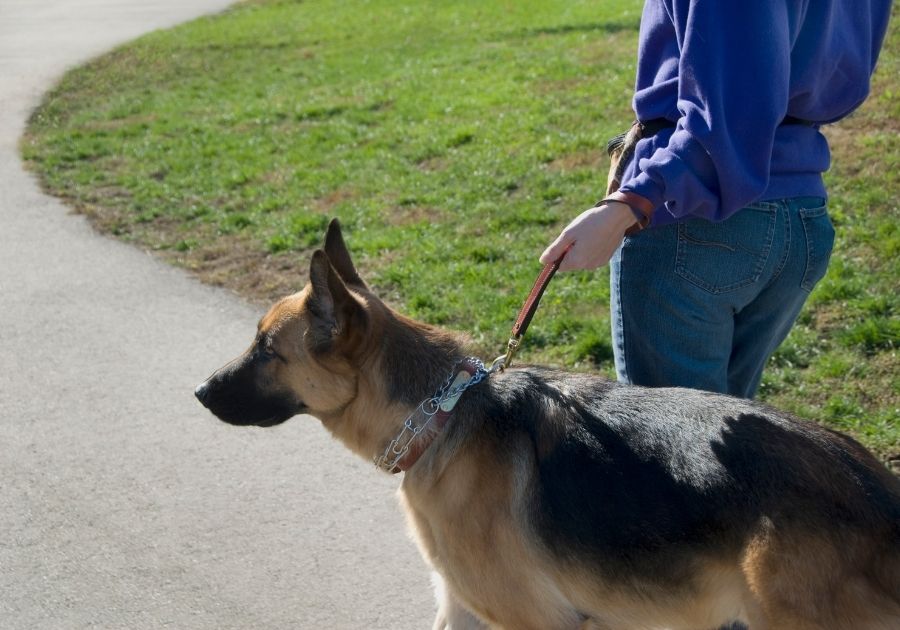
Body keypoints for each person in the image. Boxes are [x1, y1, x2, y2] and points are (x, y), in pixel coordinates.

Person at [540, 0, 893, 399]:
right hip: (800, 208)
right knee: (731, 437)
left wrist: (632, 201)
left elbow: (731, 110)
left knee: (675, 447)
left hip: (692, 220)